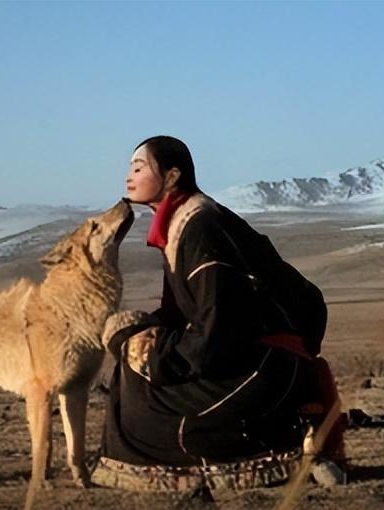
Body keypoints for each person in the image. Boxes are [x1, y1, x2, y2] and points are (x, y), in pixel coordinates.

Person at [94, 135, 346, 490]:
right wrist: (141, 332)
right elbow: (189, 315)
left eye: (138, 167)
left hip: (260, 363)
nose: (128, 177)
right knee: (133, 357)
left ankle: (289, 446)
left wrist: (161, 358)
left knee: (144, 379)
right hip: (239, 353)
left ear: (171, 177)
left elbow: (219, 322)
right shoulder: (183, 222)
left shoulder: (200, 227)